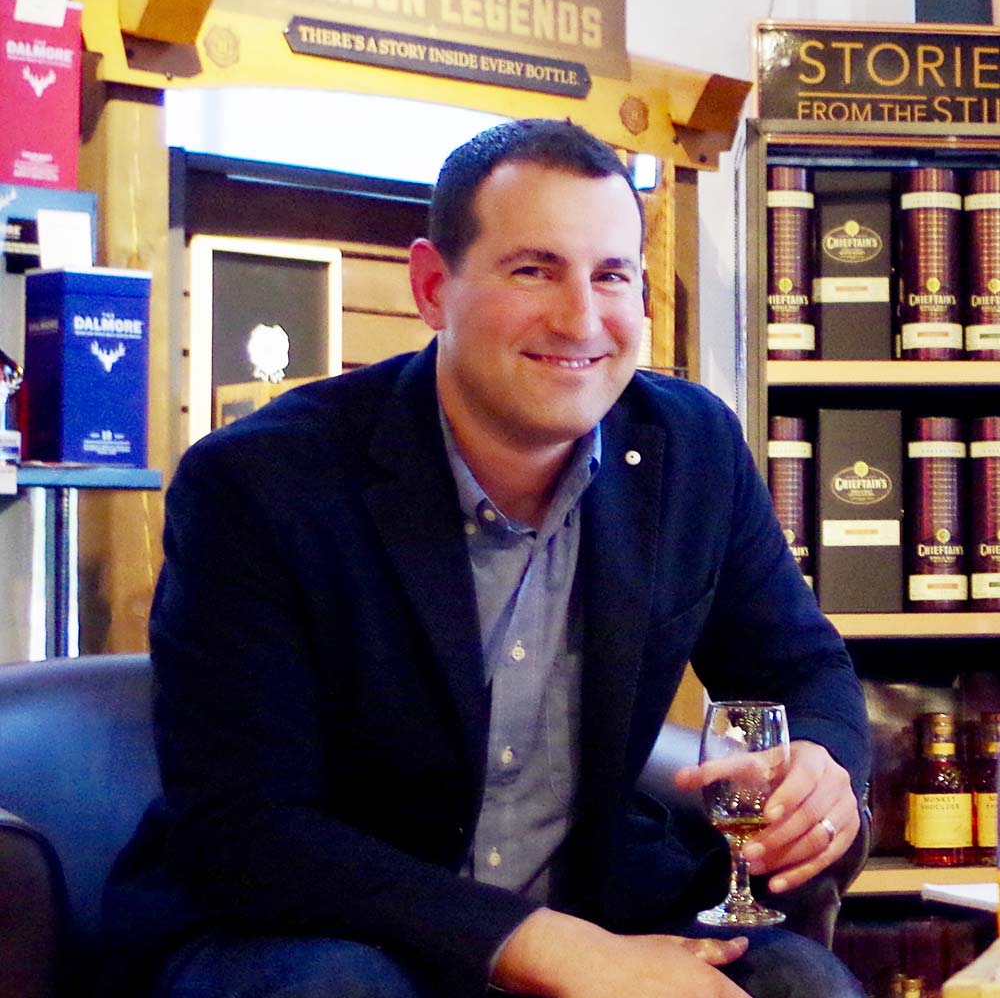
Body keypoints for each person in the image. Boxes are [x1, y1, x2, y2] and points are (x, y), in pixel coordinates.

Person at [102, 118, 871, 998]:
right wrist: (544, 948)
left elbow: (803, 666)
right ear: (433, 287)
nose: (581, 318)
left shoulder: (691, 448)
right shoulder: (259, 481)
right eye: (533, 270)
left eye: (612, 275)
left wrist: (822, 763)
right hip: (322, 929)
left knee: (797, 984)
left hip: (600, 903)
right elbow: (250, 828)